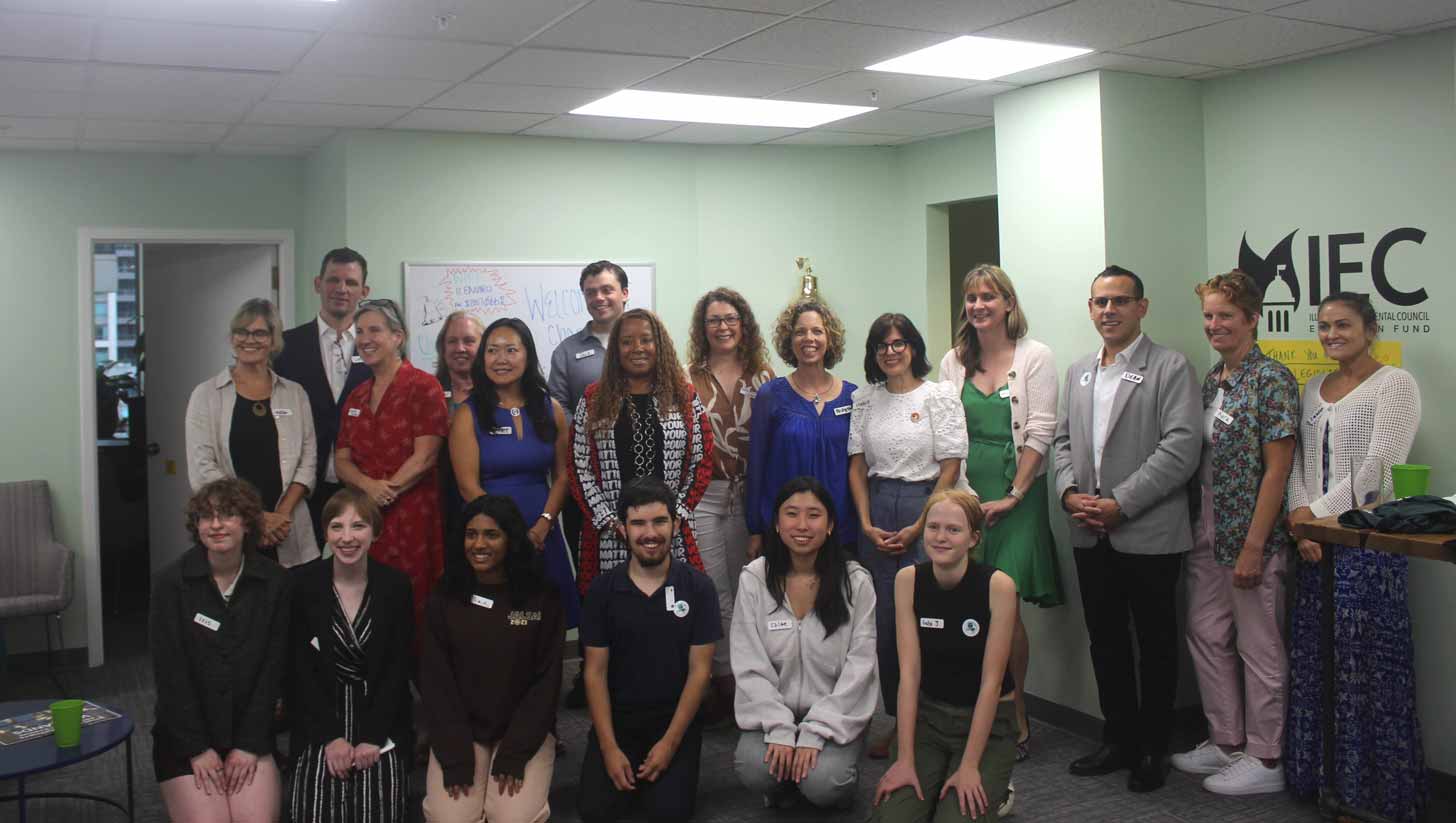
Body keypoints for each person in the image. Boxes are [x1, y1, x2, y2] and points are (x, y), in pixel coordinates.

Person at [1052, 266, 1201, 792]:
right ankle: (1117, 739)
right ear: (1090, 309)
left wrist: (1121, 503)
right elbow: (1063, 442)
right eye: (1099, 302)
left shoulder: (1170, 367)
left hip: (1148, 533)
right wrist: (1069, 493)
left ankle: (1152, 748)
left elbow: (1181, 448)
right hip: (1091, 532)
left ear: (1142, 307)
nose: (1108, 310)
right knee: (1106, 641)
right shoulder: (1078, 372)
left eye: (1119, 301)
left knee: (1157, 646)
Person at [1285, 292, 1425, 822]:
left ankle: (1375, 797)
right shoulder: (1311, 389)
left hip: (1367, 548)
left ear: (1369, 328)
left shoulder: (1397, 385)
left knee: (1367, 672)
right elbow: (1298, 460)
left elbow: (1379, 470)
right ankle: (1324, 783)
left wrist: (1314, 517)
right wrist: (1300, 518)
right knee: (1318, 665)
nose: (1330, 335)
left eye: (1342, 325)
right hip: (1313, 545)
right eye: (1322, 326)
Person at [1169, 271, 1298, 796]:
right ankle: (1226, 739)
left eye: (1225, 315)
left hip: (1251, 534)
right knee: (1205, 633)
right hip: (1207, 527)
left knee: (1259, 645)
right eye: (1208, 316)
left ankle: (1266, 757)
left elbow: (1278, 469)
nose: (1214, 325)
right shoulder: (1213, 379)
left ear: (1251, 319)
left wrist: (1253, 545)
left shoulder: (1272, 379)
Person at [937, 264, 1064, 759]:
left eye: (989, 296)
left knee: (1003, 608)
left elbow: (1041, 431)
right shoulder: (953, 361)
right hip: (969, 494)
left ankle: (1015, 712)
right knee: (972, 604)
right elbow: (947, 431)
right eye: (971, 298)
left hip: (1018, 495)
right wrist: (959, 498)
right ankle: (976, 709)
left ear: (1009, 303)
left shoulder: (1036, 357)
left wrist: (1013, 494)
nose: (979, 306)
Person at [849, 313, 966, 759]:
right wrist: (864, 522)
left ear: (913, 347)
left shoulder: (940, 395)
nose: (891, 351)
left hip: (929, 507)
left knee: (927, 618)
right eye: (882, 345)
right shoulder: (865, 399)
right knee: (884, 624)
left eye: (899, 343)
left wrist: (922, 523)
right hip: (877, 509)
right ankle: (900, 722)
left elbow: (951, 463)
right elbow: (857, 466)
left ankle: (936, 722)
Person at [578, 478, 721, 823]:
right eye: (638, 523)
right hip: (618, 720)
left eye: (659, 521)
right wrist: (609, 748)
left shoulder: (698, 588)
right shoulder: (602, 590)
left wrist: (670, 744)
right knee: (596, 813)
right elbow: (594, 672)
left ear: (675, 523)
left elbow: (700, 672)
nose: (650, 533)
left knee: (668, 814)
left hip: (675, 722)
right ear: (623, 529)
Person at [870, 490, 1017, 823]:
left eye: (953, 529)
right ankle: (931, 777)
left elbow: (991, 684)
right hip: (930, 721)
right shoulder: (908, 580)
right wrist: (904, 758)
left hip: (988, 724)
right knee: (894, 818)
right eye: (933, 527)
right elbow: (908, 676)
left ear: (973, 538)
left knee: (956, 818)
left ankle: (996, 785)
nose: (940, 537)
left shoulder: (998, 586)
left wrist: (969, 767)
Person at [150, 478, 290, 823]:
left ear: (246, 524)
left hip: (249, 734)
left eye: (228, 515)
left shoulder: (276, 582)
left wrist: (248, 744)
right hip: (186, 739)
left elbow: (274, 669)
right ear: (195, 526)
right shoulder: (171, 584)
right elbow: (170, 675)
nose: (216, 525)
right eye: (206, 517)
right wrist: (197, 750)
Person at [732, 476, 876, 810]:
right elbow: (748, 664)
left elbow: (861, 669)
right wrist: (781, 727)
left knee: (825, 784)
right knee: (752, 767)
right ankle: (787, 774)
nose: (802, 525)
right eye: (791, 514)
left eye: (814, 515)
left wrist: (816, 729)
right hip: (772, 713)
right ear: (777, 524)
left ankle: (817, 776)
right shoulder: (754, 578)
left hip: (836, 716)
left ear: (830, 525)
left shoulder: (855, 582)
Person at [420, 495, 565, 823]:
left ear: (511, 540)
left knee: (512, 818)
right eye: (471, 534)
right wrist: (455, 755)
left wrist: (515, 754)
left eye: (491, 534)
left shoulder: (541, 597)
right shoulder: (444, 597)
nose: (478, 544)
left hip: (523, 732)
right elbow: (435, 681)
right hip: (462, 732)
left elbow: (546, 683)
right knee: (450, 818)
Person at [287, 488, 414, 823]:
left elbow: (396, 669)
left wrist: (373, 737)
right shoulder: (301, 585)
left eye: (358, 526)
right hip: (319, 718)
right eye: (336, 527)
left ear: (376, 532)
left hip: (379, 715)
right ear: (325, 532)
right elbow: (299, 672)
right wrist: (331, 738)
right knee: (314, 808)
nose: (346, 538)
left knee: (381, 807)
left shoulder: (396, 586)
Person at [569, 307, 712, 594]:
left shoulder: (684, 396)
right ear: (616, 349)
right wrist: (611, 521)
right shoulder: (594, 398)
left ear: (659, 346)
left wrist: (675, 517)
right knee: (611, 615)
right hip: (610, 536)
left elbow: (702, 461)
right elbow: (578, 467)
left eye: (646, 340)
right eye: (626, 342)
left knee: (676, 610)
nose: (637, 348)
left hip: (672, 532)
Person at [449, 317, 580, 628]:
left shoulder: (552, 409)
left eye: (511, 349)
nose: (501, 359)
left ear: (527, 355)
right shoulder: (468, 414)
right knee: (503, 624)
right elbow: (467, 487)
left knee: (546, 621)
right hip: (490, 535)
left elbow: (563, 475)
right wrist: (508, 534)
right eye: (492, 351)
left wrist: (543, 525)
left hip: (542, 531)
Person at [685, 287, 775, 718]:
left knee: (749, 589)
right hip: (705, 495)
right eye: (714, 320)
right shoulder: (687, 377)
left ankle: (749, 679)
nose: (722, 327)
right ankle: (722, 677)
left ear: (744, 324)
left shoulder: (765, 377)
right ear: (703, 329)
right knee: (713, 588)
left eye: (730, 319)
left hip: (752, 495)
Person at [336, 298, 449, 633]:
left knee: (414, 602)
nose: (365, 338)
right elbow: (341, 459)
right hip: (363, 518)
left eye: (375, 330)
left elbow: (426, 456)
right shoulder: (356, 396)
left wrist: (384, 492)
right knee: (368, 603)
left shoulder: (423, 386)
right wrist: (368, 490)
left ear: (398, 337)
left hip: (412, 514)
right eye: (360, 332)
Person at [185, 298, 319, 568]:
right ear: (232, 337)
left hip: (287, 527)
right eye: (242, 332)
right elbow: (203, 468)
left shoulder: (295, 393)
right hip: (230, 524)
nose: (250, 340)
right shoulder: (206, 395)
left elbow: (308, 460)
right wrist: (255, 518)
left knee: (293, 605)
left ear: (273, 339)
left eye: (260, 333)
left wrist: (280, 515)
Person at [550, 260, 630, 707]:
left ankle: (637, 665)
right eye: (590, 292)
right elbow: (558, 417)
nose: (599, 298)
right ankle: (588, 672)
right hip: (586, 487)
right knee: (592, 581)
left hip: (639, 485)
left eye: (606, 289)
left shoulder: (644, 341)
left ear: (624, 293)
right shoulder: (568, 351)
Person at [275, 247, 373, 549]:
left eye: (351, 282)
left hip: (363, 484)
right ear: (318, 284)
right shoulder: (286, 346)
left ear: (364, 290)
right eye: (333, 280)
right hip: (301, 488)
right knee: (303, 576)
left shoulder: (378, 347)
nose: (341, 289)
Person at [747, 298, 858, 557]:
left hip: (840, 530)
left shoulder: (853, 397)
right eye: (800, 332)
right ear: (789, 339)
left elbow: (860, 467)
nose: (809, 338)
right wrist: (755, 528)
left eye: (817, 331)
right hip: (785, 531)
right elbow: (756, 467)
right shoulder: (770, 395)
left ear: (830, 339)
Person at [434, 311, 485, 540]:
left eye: (469, 341)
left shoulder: (499, 394)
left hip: (486, 494)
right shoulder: (429, 392)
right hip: (440, 503)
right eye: (452, 341)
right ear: (443, 348)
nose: (460, 348)